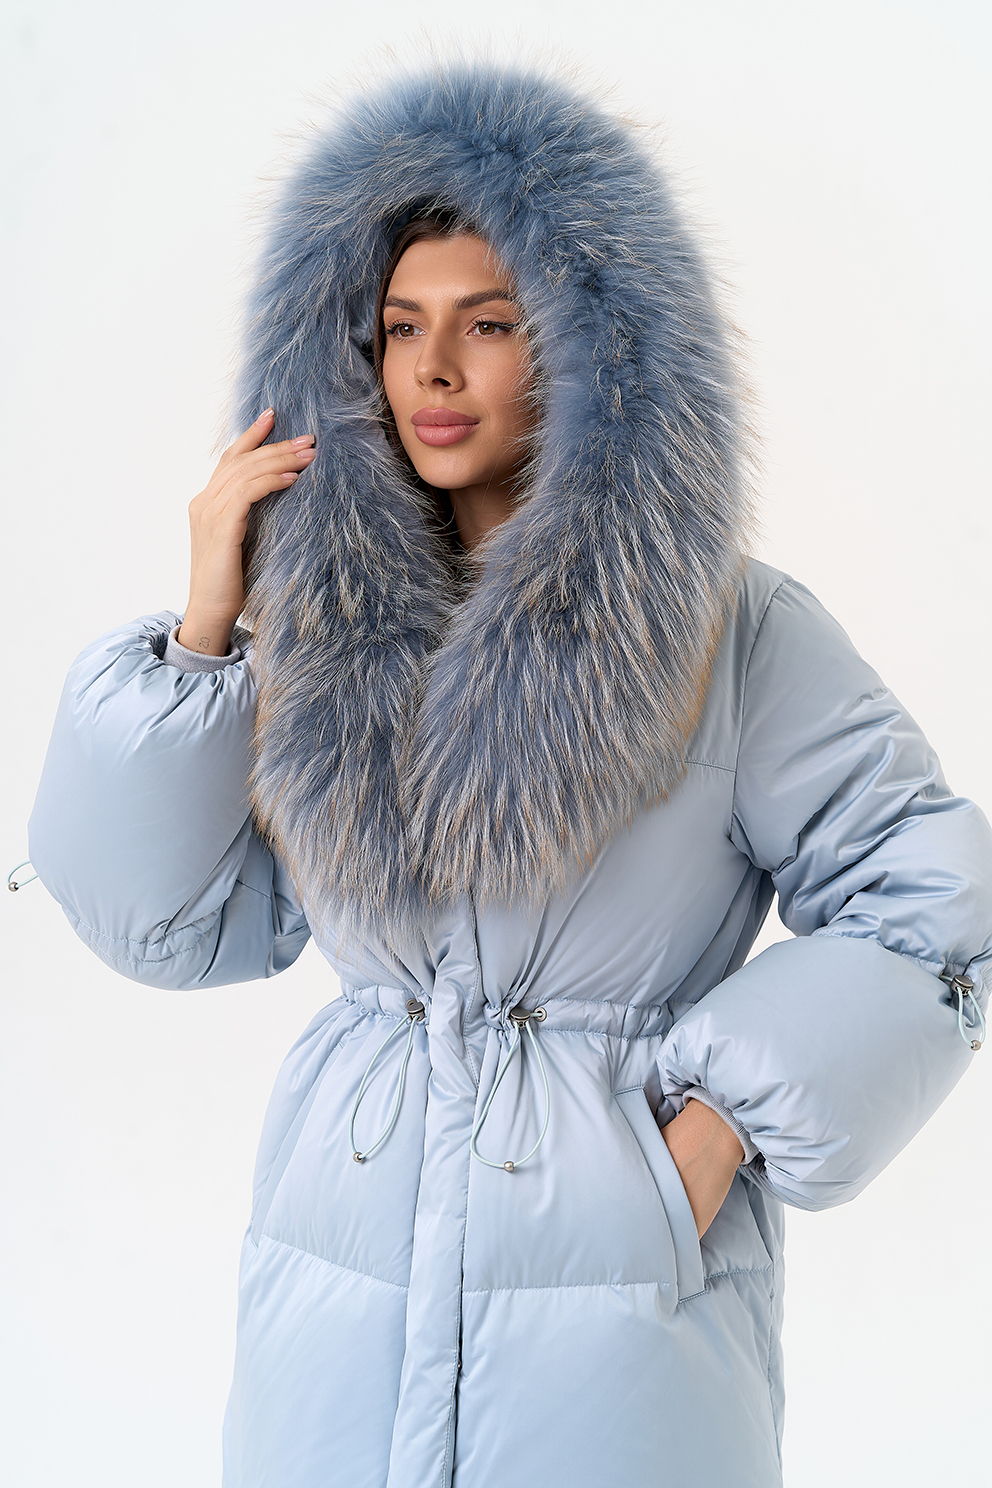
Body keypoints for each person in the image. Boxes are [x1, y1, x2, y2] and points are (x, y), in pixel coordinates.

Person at [24, 64, 992, 1488]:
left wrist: (717, 1131)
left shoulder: (728, 631)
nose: (434, 369)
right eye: (399, 327)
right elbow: (160, 922)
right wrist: (207, 627)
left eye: (489, 324)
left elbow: (934, 904)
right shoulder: (318, 644)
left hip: (617, 1325)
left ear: (595, 349)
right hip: (335, 1300)